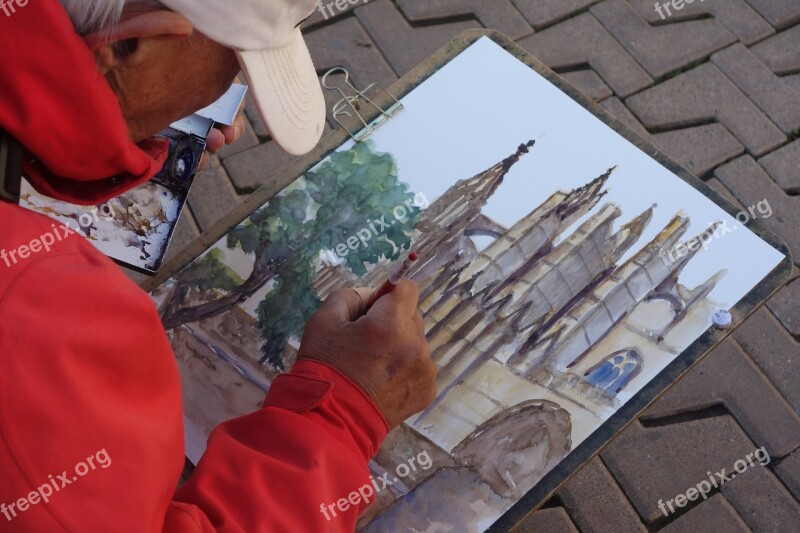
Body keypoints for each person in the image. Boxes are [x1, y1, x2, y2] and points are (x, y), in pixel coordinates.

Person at [0, 0, 437, 531]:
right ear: (130, 44)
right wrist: (340, 415)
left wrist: (98, 133)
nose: (234, 98)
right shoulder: (43, 317)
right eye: (235, 66)